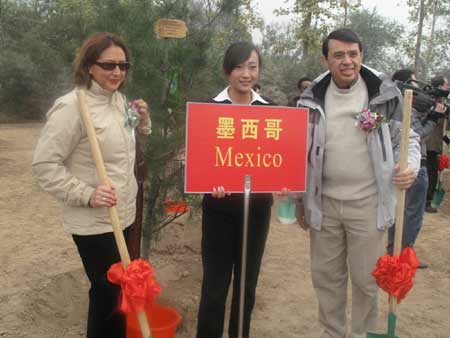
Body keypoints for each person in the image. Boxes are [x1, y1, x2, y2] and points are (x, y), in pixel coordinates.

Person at [295, 29, 421, 338]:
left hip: (367, 203)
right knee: (326, 277)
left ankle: (365, 333)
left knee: (367, 280)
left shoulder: (384, 95)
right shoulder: (310, 100)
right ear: (326, 59)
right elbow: (296, 150)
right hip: (324, 203)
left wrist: (410, 166)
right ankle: (332, 332)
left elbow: (409, 139)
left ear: (361, 55)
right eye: (339, 55)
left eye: (353, 54)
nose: (347, 61)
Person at [32, 32, 151, 338]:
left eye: (123, 66)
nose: (117, 72)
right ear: (89, 66)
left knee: (117, 294)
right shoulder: (71, 107)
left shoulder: (119, 101)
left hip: (122, 216)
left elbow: (127, 142)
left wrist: (143, 121)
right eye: (109, 65)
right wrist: (88, 194)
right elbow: (44, 166)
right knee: (107, 296)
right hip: (93, 224)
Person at [196, 41, 275, 338]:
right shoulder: (210, 109)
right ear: (227, 70)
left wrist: (282, 180)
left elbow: (277, 160)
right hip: (218, 210)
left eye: (252, 67)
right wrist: (208, 181)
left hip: (256, 211)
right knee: (215, 286)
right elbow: (201, 160)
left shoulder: (270, 112)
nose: (246, 74)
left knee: (247, 285)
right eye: (239, 67)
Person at [388, 69, 446, 268]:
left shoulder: (403, 107)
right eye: (413, 82)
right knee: (412, 214)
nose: (418, 87)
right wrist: (433, 119)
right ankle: (402, 254)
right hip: (414, 167)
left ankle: (396, 250)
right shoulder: (404, 107)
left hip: (407, 166)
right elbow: (416, 136)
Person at [425, 75, 450, 212]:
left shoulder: (439, 100)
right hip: (429, 144)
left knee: (431, 173)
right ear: (439, 86)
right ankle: (427, 202)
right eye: (446, 85)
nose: (448, 87)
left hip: (434, 143)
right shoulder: (431, 100)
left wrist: (447, 141)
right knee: (431, 173)